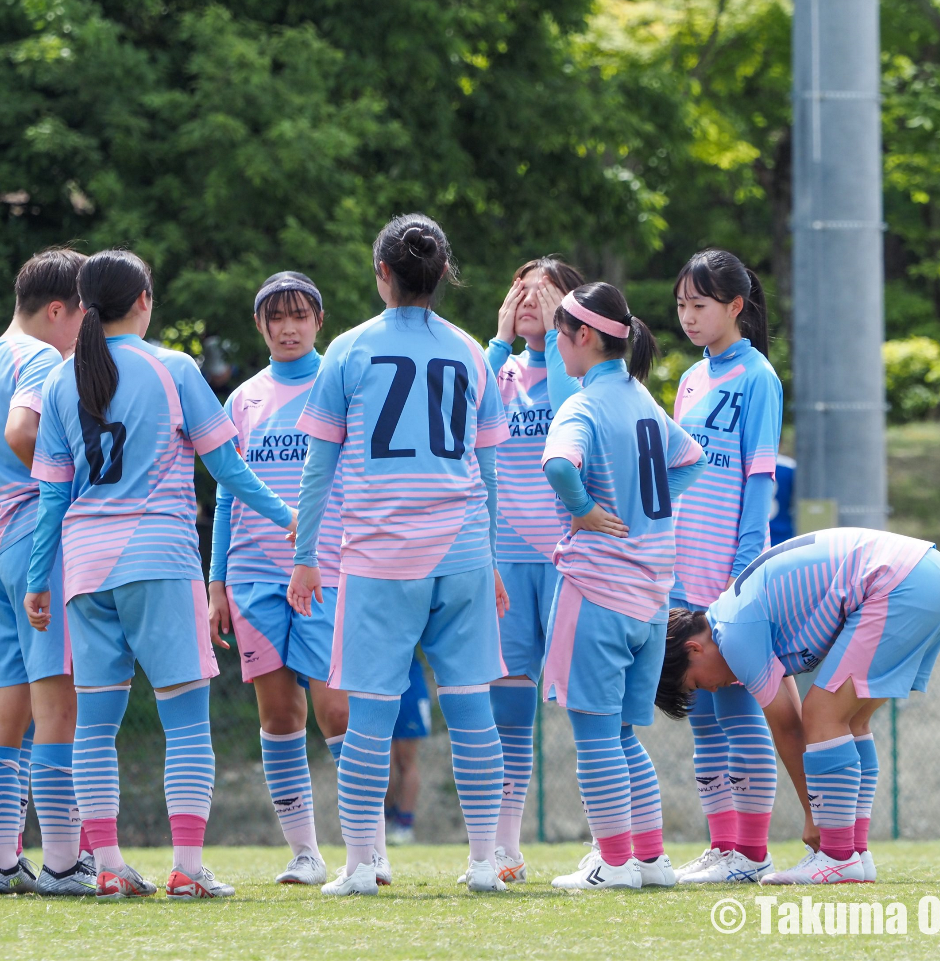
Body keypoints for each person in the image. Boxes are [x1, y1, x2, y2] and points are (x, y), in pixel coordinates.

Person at [23, 249, 297, 901]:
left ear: (87, 305)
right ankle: (188, 866)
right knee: (185, 721)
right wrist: (291, 517)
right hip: (159, 562)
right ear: (143, 300)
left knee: (94, 725)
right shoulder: (171, 368)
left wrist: (39, 578)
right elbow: (226, 468)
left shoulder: (62, 379)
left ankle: (110, 865)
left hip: (84, 570)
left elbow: (53, 498)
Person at [288, 214, 511, 896]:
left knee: (372, 714)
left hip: (380, 555)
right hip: (465, 548)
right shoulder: (472, 350)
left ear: (381, 271)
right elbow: (491, 469)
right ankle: (484, 863)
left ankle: (360, 865)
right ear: (443, 274)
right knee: (472, 707)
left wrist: (305, 556)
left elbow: (318, 470)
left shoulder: (348, 351)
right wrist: (493, 556)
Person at [657, 527, 940, 885]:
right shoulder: (736, 616)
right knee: (849, 721)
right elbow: (792, 720)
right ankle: (853, 852)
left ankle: (835, 855)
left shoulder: (735, 633)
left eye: (696, 683)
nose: (711, 689)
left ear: (694, 649)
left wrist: (812, 814)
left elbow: (789, 727)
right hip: (934, 575)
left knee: (823, 714)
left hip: (903, 582)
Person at [536, 281, 706, 892]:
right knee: (622, 735)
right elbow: (692, 460)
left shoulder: (581, 406)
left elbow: (558, 464)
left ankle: (613, 864)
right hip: (651, 598)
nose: (556, 346)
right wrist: (645, 510)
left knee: (592, 733)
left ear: (583, 336)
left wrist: (583, 509)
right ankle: (651, 860)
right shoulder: (641, 399)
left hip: (599, 590)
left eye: (560, 335)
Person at [0, 248, 95, 895]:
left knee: (5, 703)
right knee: (57, 697)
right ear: (58, 310)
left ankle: (3, 863)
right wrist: (83, 484)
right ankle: (65, 862)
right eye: (86, 319)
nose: (88, 336)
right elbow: (21, 432)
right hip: (38, 533)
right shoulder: (41, 357)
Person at [206, 272, 349, 886]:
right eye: (276, 318)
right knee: (279, 715)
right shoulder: (242, 400)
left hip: (329, 570)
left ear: (319, 320)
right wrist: (216, 583)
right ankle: (305, 854)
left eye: (300, 315)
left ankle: (364, 849)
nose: (288, 328)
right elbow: (226, 494)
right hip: (252, 574)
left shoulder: (340, 386)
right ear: (260, 325)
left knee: (337, 710)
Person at [668, 249, 791, 884]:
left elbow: (760, 475)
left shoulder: (759, 377)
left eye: (701, 305)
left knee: (739, 710)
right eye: (682, 305)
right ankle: (722, 848)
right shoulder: (691, 378)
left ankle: (752, 853)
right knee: (704, 710)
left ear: (736, 307)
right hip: (682, 567)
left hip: (730, 568)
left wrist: (744, 563)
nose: (688, 316)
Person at [479, 257, 584, 882]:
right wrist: (498, 341)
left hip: (574, 559)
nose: (528, 301)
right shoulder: (501, 370)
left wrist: (557, 335)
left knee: (590, 705)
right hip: (506, 560)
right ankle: (505, 848)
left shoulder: (583, 376)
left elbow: (577, 422)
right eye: (520, 290)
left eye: (544, 294)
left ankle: (616, 842)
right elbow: (460, 416)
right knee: (509, 711)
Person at [384, 656, 432, 844]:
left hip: (410, 690)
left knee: (406, 761)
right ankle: (386, 820)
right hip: (378, 686)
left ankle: (404, 826)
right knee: (383, 762)